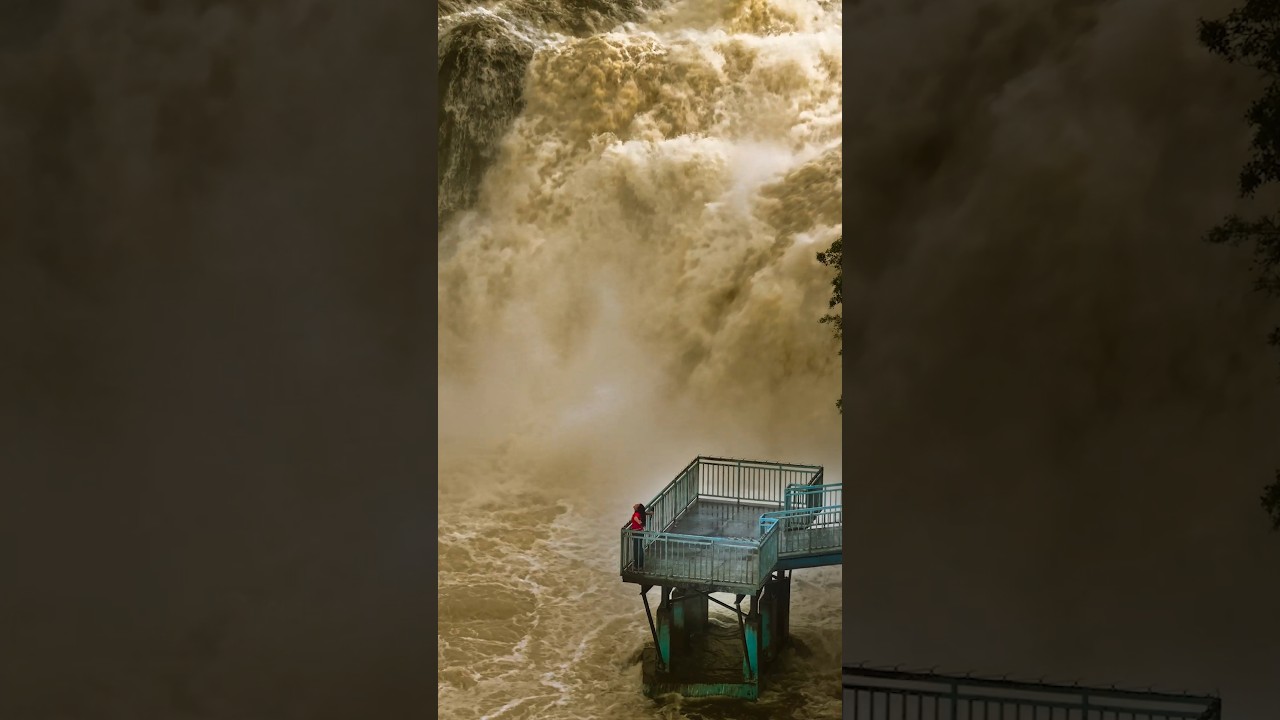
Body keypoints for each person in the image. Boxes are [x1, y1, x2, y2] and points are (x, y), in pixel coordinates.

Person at [629, 503, 649, 569]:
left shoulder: (636, 514)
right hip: (640, 532)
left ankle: (637, 565)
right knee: (640, 548)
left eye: (636, 505)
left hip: (636, 533)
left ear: (637, 508)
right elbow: (644, 513)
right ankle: (640, 564)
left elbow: (636, 518)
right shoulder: (640, 513)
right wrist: (650, 513)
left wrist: (639, 522)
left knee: (636, 549)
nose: (634, 505)